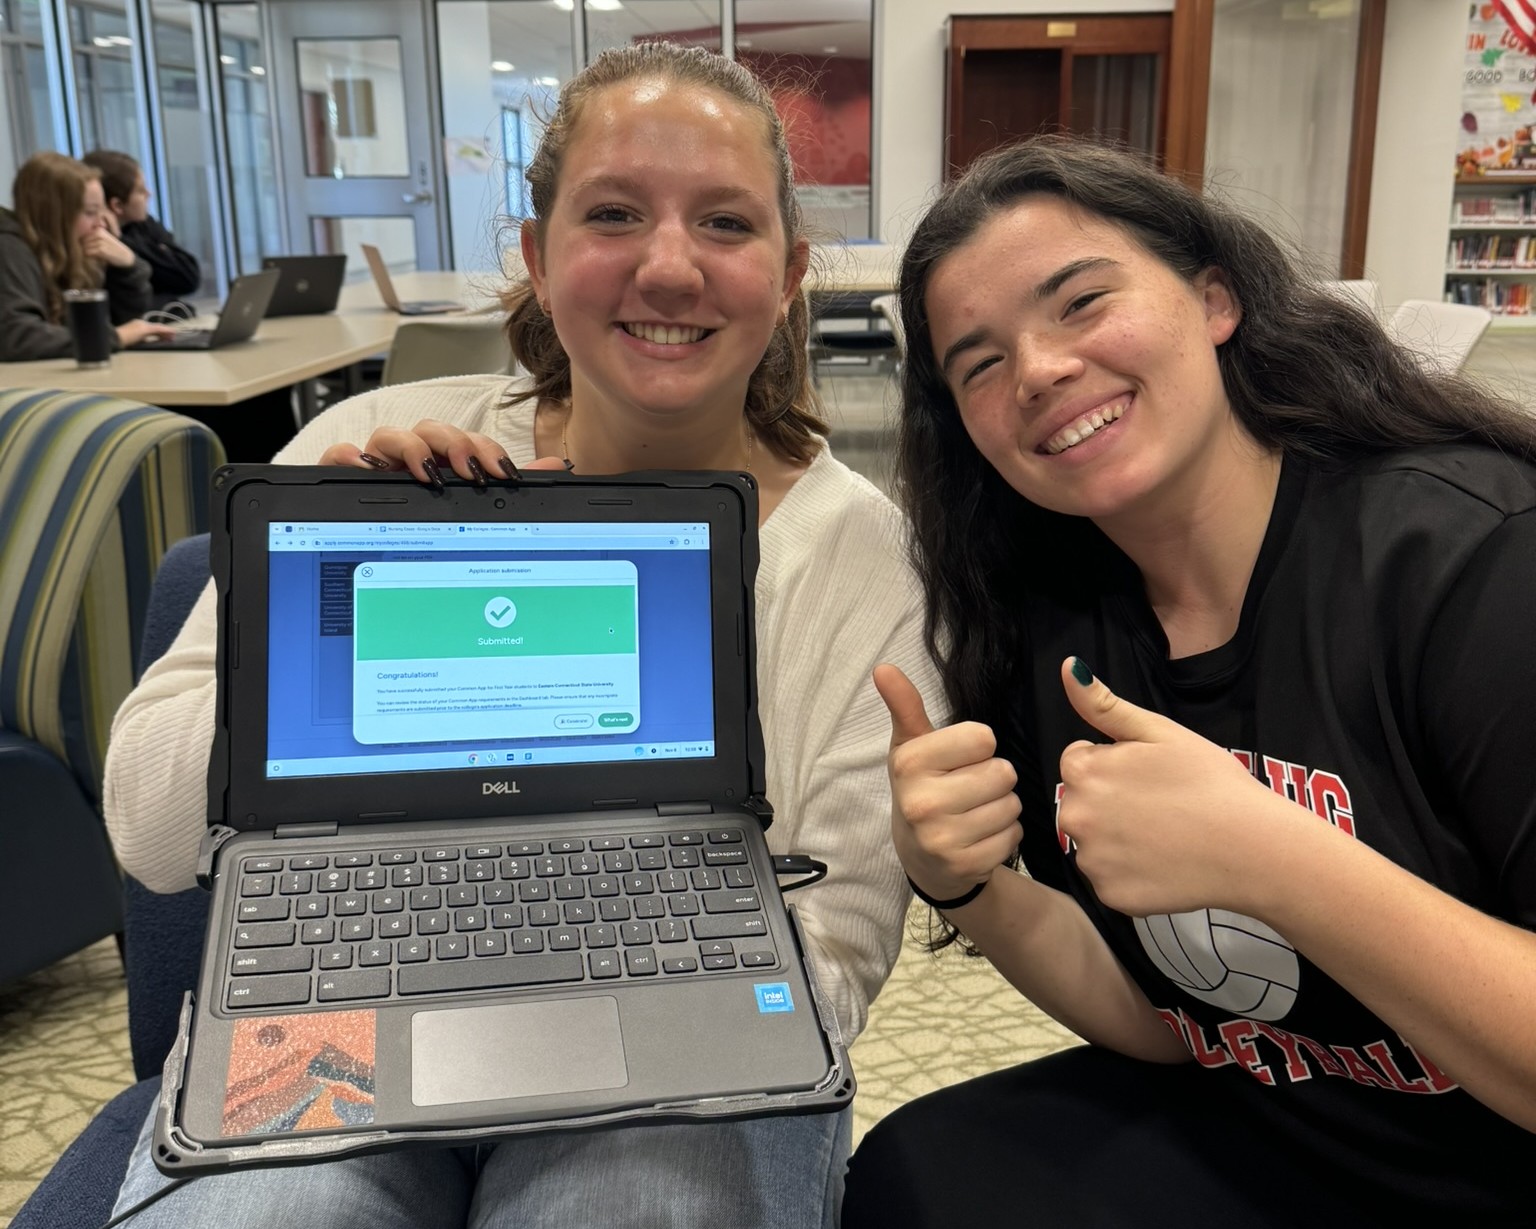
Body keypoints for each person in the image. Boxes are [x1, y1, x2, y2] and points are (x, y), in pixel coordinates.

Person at [103, 42, 942, 1229]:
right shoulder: (371, 440)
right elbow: (147, 828)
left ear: (790, 271)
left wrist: (588, 969)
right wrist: (331, 589)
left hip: (676, 1030)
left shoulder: (865, 560)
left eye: (725, 222)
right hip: (338, 998)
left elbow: (835, 953)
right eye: (614, 214)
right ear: (541, 258)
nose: (669, 265)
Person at [841, 136, 1536, 1227]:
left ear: (1216, 298)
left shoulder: (1474, 559)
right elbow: (1182, 1018)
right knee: (915, 1170)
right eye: (979, 362)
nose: (1037, 370)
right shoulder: (1056, 614)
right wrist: (969, 884)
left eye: (1078, 301)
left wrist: (1279, 860)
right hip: (1285, 1122)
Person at [0, 151, 172, 360]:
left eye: (101, 212)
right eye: (90, 213)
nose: (100, 224)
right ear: (55, 217)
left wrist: (127, 267)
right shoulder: (9, 248)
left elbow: (119, 319)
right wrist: (115, 337)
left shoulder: (63, 254)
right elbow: (18, 337)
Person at [83, 148, 202, 308]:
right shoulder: (92, 243)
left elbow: (188, 277)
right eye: (140, 190)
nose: (149, 194)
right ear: (117, 205)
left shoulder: (143, 224)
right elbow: (134, 306)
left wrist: (124, 244)